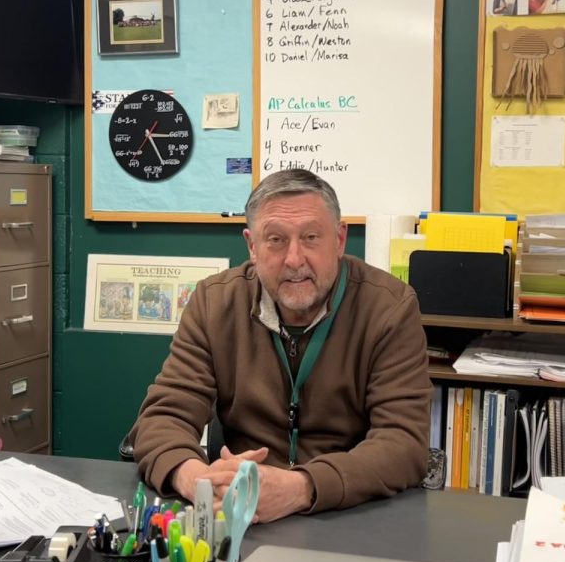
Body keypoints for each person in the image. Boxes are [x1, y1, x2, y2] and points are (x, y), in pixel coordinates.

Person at [126, 169, 432, 523]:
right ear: (252, 246)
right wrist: (198, 479)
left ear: (340, 239)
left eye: (312, 237)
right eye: (275, 240)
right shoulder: (214, 303)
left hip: (347, 514)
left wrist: (300, 487)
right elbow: (162, 418)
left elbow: (403, 444)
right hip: (240, 513)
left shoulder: (389, 308)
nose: (294, 259)